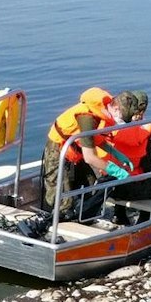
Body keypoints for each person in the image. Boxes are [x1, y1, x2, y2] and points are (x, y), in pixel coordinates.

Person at [42, 87, 128, 221]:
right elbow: (90, 157)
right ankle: (53, 222)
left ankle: (83, 217)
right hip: (58, 150)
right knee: (61, 196)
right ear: (116, 109)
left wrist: (116, 154)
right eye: (124, 117)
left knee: (90, 184)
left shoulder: (100, 112)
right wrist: (114, 170)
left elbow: (95, 138)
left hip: (75, 152)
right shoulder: (87, 118)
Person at [103, 90, 151, 225]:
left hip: (109, 188)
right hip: (132, 189)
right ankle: (146, 216)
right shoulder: (146, 133)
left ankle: (119, 214)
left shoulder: (108, 129)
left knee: (124, 171)